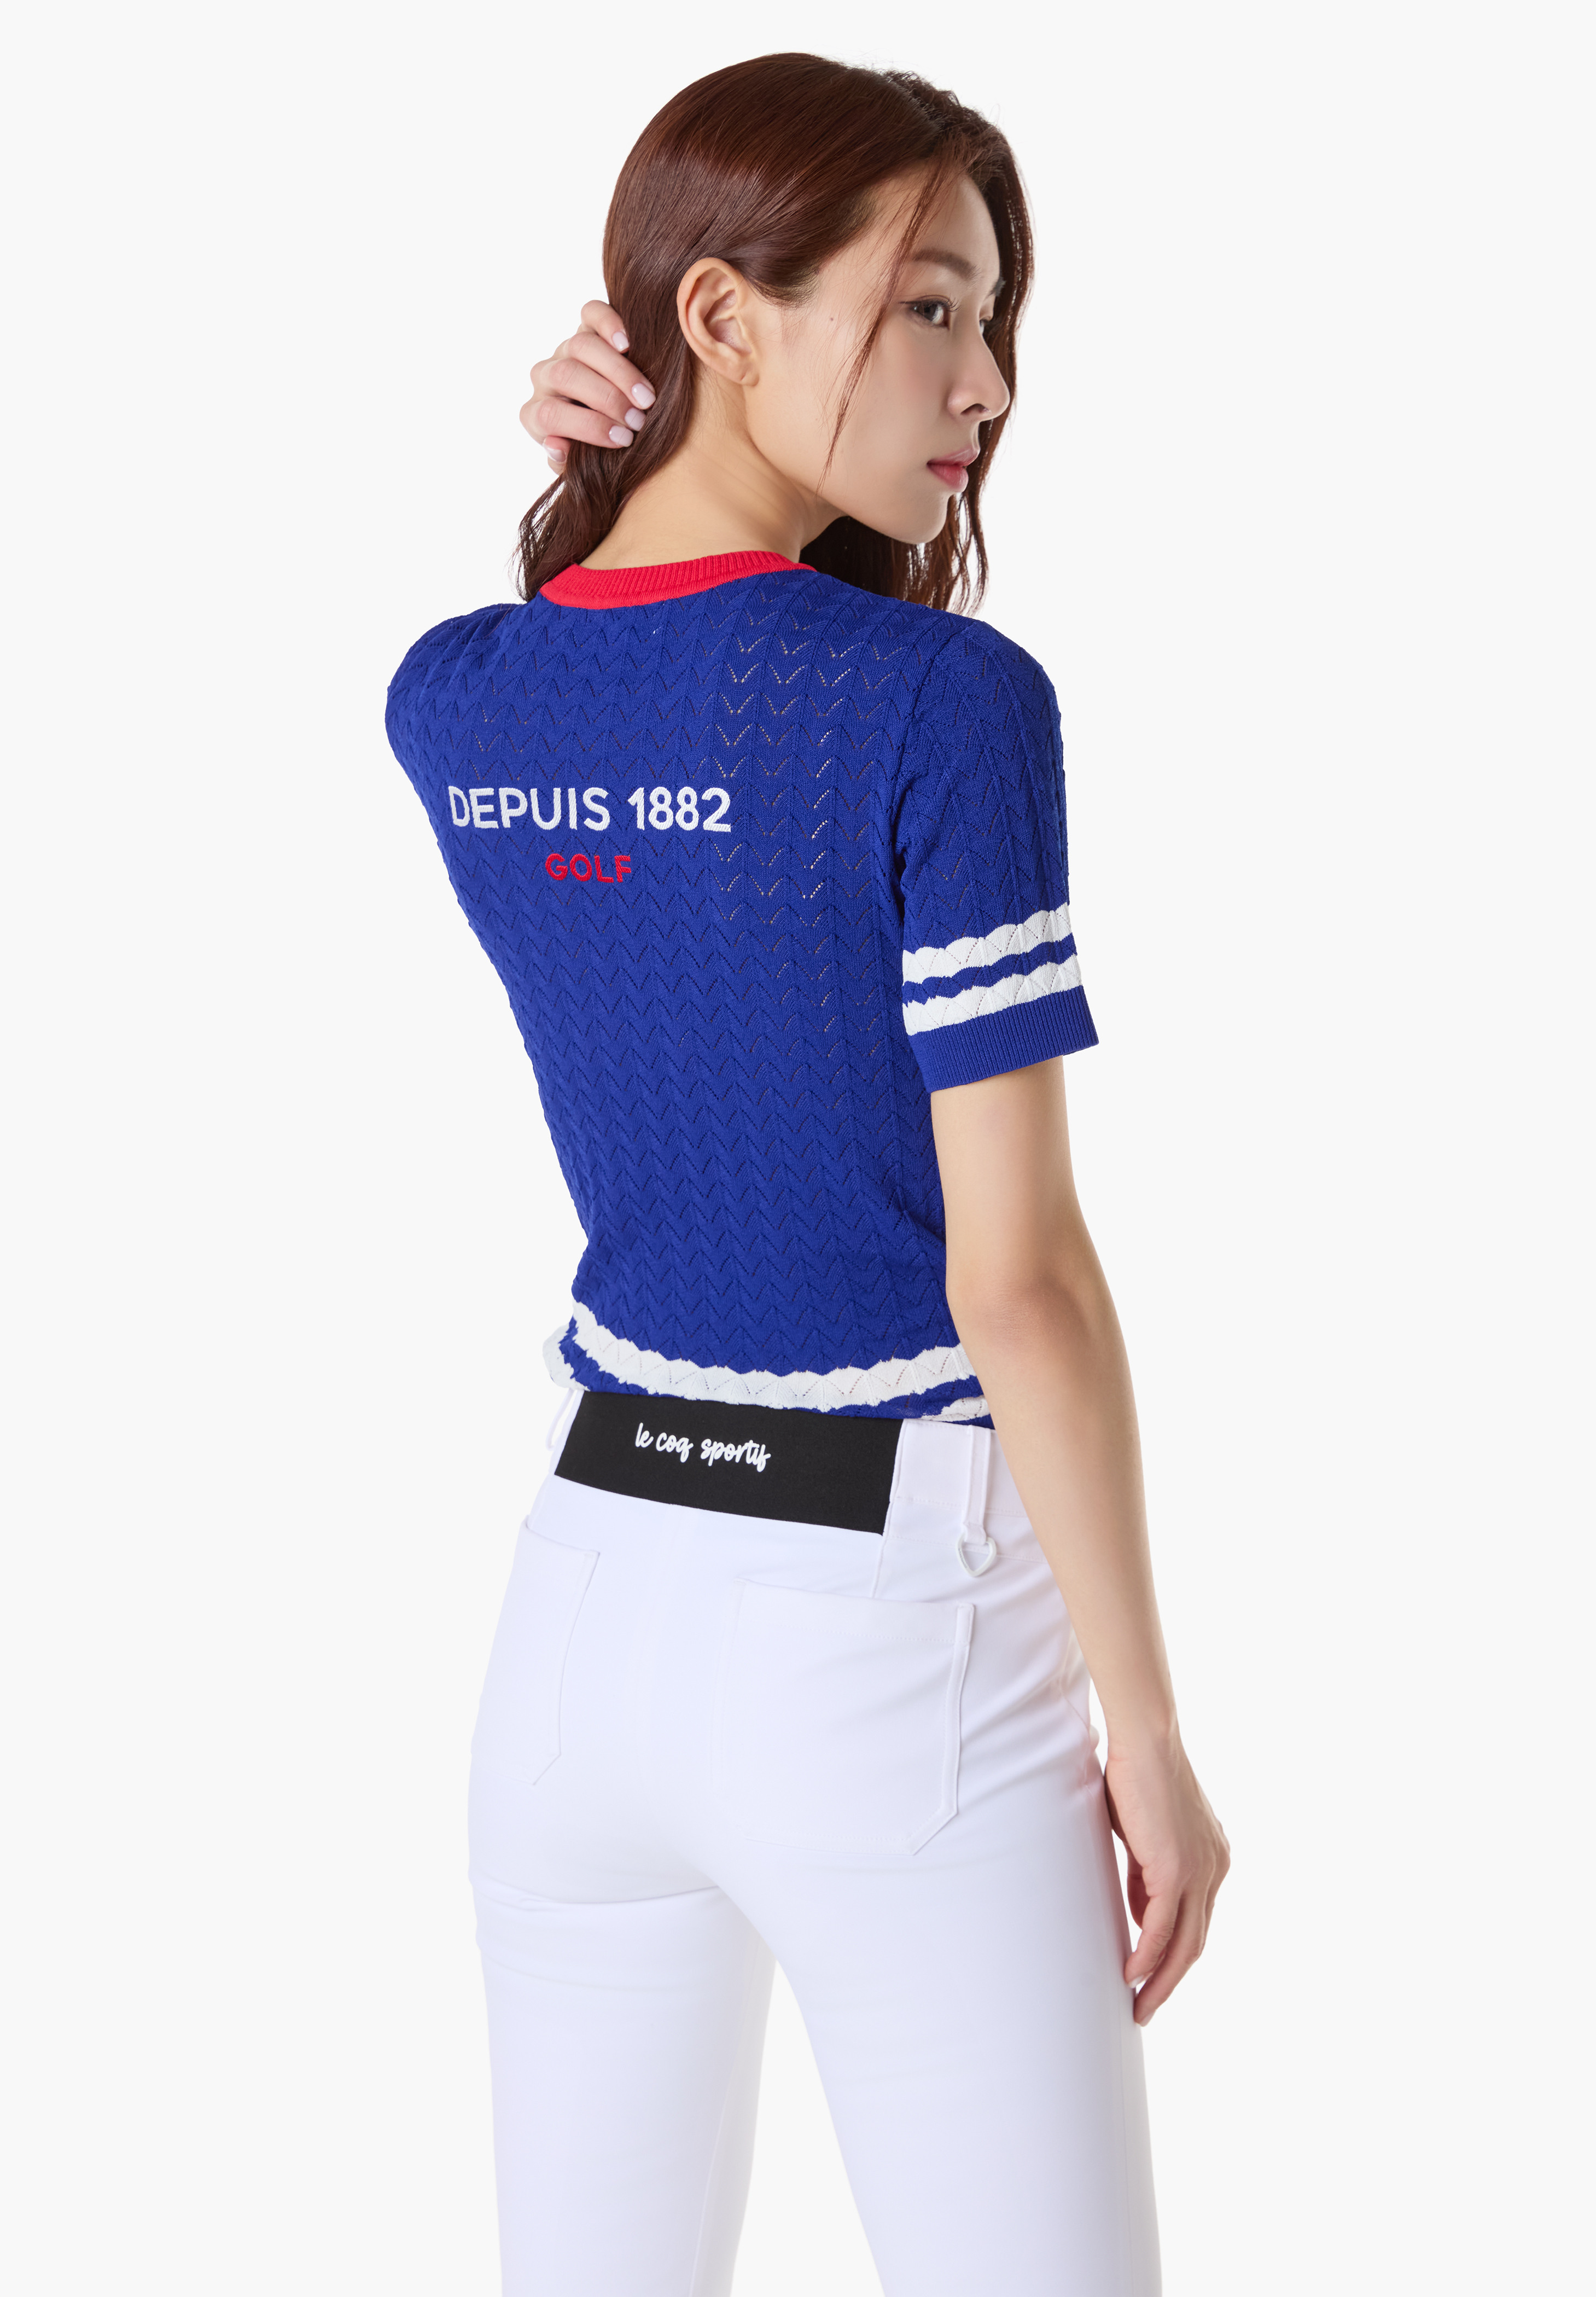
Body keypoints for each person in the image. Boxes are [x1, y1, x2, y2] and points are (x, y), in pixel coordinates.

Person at [387, 53, 1227, 2297]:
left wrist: (610, 468)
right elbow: (1019, 1283)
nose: (988, 382)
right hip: (893, 1634)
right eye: (930, 305)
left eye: (996, 320)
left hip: (578, 1627)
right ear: (718, 315)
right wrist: (1148, 1733)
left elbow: (615, 686)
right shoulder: (941, 706)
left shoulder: (450, 697)